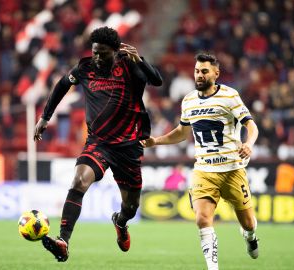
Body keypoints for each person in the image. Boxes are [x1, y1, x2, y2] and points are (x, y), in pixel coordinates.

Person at [34, 26, 162, 262]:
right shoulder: (85, 68)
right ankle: (63, 241)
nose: (97, 57)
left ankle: (120, 222)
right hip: (98, 143)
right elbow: (63, 84)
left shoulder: (130, 64)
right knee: (78, 181)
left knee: (131, 206)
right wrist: (45, 117)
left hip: (128, 145)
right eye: (94, 52)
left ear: (115, 51)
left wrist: (140, 61)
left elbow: (157, 80)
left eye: (102, 53)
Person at [141, 53, 259, 269]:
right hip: (204, 170)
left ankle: (250, 237)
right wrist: (155, 141)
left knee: (249, 223)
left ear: (216, 73)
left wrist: (249, 143)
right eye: (197, 71)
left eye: (204, 71)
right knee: (202, 219)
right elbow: (181, 133)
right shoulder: (188, 100)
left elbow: (251, 126)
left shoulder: (230, 96)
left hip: (233, 169)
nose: (199, 75)